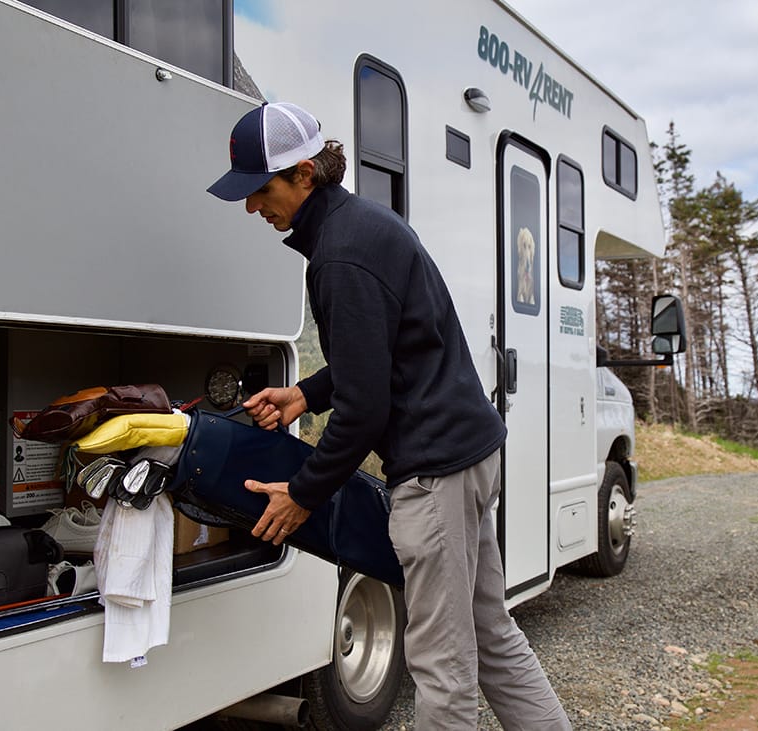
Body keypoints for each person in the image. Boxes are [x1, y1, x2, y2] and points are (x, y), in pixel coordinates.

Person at [207, 102, 572, 730]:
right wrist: (305, 395)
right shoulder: (366, 225)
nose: (251, 207)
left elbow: (367, 409)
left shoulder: (340, 258)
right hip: (471, 452)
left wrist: (303, 494)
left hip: (435, 474)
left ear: (303, 174)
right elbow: (391, 351)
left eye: (260, 190)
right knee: (492, 637)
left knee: (441, 665)